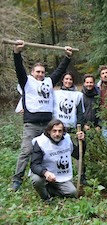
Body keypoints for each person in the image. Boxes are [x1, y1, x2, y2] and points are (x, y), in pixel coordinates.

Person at [11, 40, 73, 191]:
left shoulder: (49, 81)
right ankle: (17, 180)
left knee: (50, 151)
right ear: (32, 72)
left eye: (42, 72)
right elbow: (19, 68)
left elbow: (59, 70)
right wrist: (17, 53)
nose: (40, 74)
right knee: (26, 151)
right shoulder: (26, 81)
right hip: (31, 124)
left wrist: (67, 57)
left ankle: (50, 177)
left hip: (47, 125)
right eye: (37, 71)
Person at [30, 119, 85, 202]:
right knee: (36, 180)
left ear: (63, 131)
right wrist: (45, 173)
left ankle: (50, 190)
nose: (57, 134)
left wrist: (82, 142)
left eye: (60, 131)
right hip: (45, 175)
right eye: (54, 131)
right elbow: (34, 165)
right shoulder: (41, 142)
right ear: (49, 131)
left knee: (73, 192)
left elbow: (78, 155)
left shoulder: (67, 139)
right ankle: (45, 198)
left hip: (60, 175)